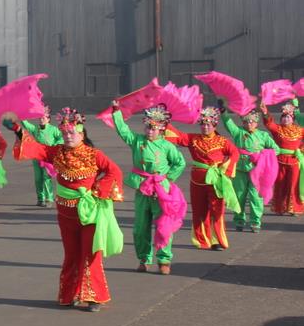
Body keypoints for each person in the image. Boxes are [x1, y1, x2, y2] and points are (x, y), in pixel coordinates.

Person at [11, 108, 123, 310]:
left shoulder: (94, 155)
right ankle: (70, 294)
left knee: (90, 253)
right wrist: (18, 130)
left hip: (88, 213)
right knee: (71, 254)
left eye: (71, 132)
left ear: (81, 134)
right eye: (64, 133)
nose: (67, 136)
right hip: (65, 213)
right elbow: (36, 148)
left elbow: (114, 171)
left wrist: (97, 190)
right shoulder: (57, 152)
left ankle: (93, 297)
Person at [111, 103, 186, 274]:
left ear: (161, 129)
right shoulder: (137, 141)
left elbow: (180, 163)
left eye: (153, 128)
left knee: (164, 226)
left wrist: (167, 178)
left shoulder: (167, 146)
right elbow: (123, 131)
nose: (149, 131)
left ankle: (164, 259)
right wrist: (116, 113)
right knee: (140, 227)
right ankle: (144, 259)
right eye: (147, 127)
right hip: (142, 188)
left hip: (161, 190)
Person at [165, 107, 240, 250]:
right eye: (203, 124)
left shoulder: (222, 141)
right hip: (197, 180)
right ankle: (203, 240)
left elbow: (234, 153)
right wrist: (165, 123)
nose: (205, 127)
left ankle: (217, 240)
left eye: (208, 125)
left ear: (214, 126)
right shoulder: (193, 139)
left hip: (216, 180)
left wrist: (225, 170)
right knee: (199, 210)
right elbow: (177, 136)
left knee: (217, 210)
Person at [222, 105, 278, 232]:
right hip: (240, 170)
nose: (249, 124)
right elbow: (228, 124)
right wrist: (224, 112)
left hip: (256, 171)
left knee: (256, 197)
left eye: (252, 121)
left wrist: (261, 156)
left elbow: (276, 149)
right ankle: (239, 220)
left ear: (256, 123)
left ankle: (255, 222)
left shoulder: (263, 135)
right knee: (239, 196)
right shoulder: (238, 132)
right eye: (246, 122)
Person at [261, 100, 304, 215]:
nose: (285, 119)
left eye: (288, 117)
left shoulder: (300, 130)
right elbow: (269, 123)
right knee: (280, 184)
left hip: (295, 161)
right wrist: (265, 113)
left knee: (293, 184)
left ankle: (294, 209)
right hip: (280, 161)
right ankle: (280, 208)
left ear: (293, 119)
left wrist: (301, 150)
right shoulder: (278, 129)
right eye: (283, 117)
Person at [20, 107, 63, 207]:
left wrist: (55, 145)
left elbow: (61, 138)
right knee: (38, 178)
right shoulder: (36, 129)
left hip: (47, 157)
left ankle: (49, 198)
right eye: (40, 118)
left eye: (43, 117)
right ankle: (40, 198)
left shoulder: (53, 129)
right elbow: (25, 124)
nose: (41, 119)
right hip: (37, 157)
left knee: (46, 177)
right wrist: (21, 114)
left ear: (48, 119)